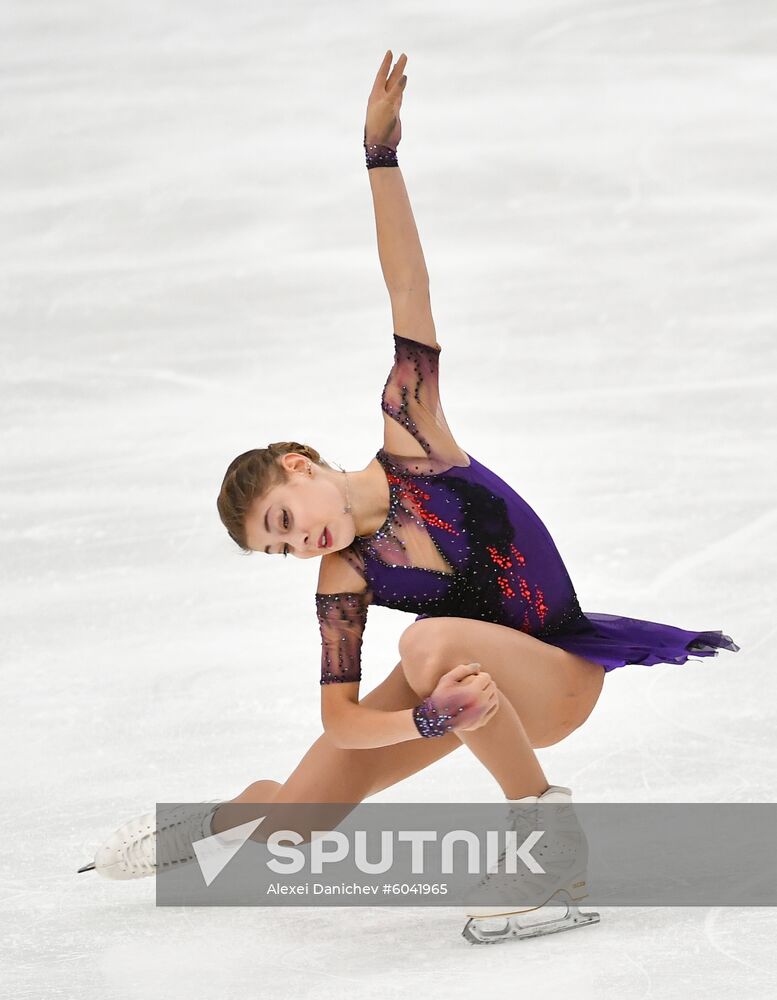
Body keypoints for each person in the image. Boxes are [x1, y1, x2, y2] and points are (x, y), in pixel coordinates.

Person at [78, 51, 740, 944]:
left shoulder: (412, 432)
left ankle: (546, 844)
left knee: (427, 640)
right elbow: (341, 722)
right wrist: (427, 718)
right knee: (299, 826)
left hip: (553, 677)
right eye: (277, 551)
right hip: (461, 686)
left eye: (281, 520)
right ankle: (228, 817)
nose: (295, 546)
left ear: (298, 462)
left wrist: (379, 160)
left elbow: (408, 290)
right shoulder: (343, 577)